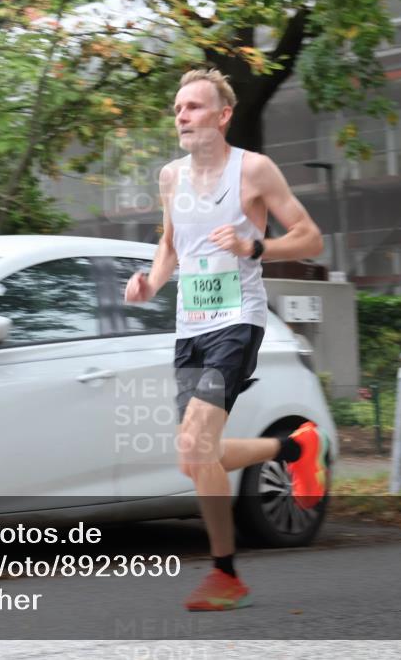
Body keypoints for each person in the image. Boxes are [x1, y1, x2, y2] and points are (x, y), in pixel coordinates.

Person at [124, 68, 328, 612]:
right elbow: (170, 245)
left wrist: (253, 246)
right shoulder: (171, 178)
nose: (182, 116)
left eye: (193, 106)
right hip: (190, 327)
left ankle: (225, 574)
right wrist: (151, 280)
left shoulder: (253, 170)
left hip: (238, 321)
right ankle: (294, 448)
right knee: (198, 456)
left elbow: (310, 236)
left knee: (194, 445)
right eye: (177, 109)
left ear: (222, 114)